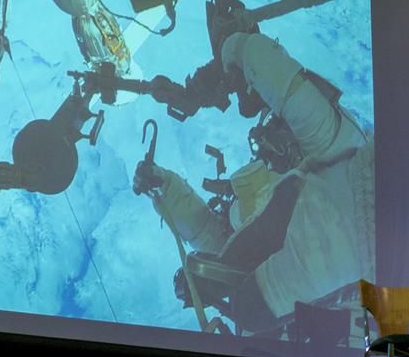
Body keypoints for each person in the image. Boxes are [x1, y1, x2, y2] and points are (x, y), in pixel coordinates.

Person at [134, 31, 374, 333]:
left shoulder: (337, 154)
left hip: (297, 316)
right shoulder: (334, 160)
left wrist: (233, 53)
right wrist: (164, 188)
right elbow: (214, 238)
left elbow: (291, 92)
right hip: (292, 317)